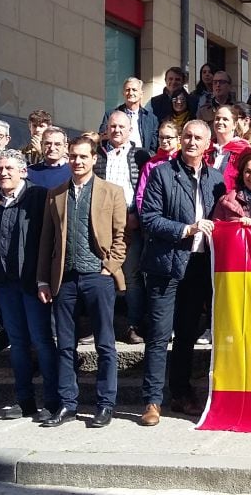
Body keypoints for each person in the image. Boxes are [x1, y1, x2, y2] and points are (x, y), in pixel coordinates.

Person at [139, 120, 227, 424]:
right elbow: (148, 218)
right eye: (187, 136)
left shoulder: (216, 178)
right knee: (159, 335)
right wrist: (185, 229)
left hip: (199, 267)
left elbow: (226, 215)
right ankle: (152, 400)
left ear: (208, 144)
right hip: (166, 265)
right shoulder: (163, 173)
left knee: (187, 335)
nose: (191, 141)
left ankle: (181, 393)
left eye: (197, 138)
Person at [37, 135, 128, 428]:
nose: (77, 161)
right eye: (73, 156)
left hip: (98, 278)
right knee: (65, 345)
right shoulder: (56, 194)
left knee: (105, 344)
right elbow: (46, 240)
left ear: (93, 159)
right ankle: (67, 404)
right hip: (64, 279)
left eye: (83, 157)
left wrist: (110, 266)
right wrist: (42, 280)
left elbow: (120, 237)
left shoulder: (111, 192)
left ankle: (105, 404)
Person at [0, 149, 58, 423]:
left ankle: (52, 401)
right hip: (5, 285)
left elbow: (50, 241)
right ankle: (24, 400)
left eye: (9, 169)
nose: (3, 173)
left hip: (33, 285)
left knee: (43, 342)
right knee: (17, 344)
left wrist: (44, 279)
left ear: (23, 171)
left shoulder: (38, 197)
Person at [95, 111, 152, 345]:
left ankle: (134, 325)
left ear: (130, 130)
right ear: (106, 128)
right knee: (100, 276)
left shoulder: (141, 155)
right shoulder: (96, 154)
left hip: (130, 222)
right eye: (113, 126)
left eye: (122, 126)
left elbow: (145, 189)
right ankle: (100, 326)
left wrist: (136, 215)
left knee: (132, 277)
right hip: (99, 224)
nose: (117, 130)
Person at [98, 77, 159, 152]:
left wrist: (147, 159)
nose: (130, 93)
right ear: (123, 93)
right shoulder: (111, 115)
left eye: (134, 90)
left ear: (141, 94)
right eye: (127, 90)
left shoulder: (151, 118)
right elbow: (102, 138)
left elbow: (154, 146)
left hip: (142, 160)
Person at [135, 120, 182, 213]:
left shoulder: (185, 160)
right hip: (156, 215)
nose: (164, 141)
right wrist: (145, 216)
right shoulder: (151, 164)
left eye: (168, 137)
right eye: (161, 137)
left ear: (178, 139)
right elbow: (141, 194)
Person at [206, 105, 251, 193]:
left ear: (234, 125)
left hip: (231, 201)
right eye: (217, 118)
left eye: (225, 119)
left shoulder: (244, 151)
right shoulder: (206, 148)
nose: (220, 122)